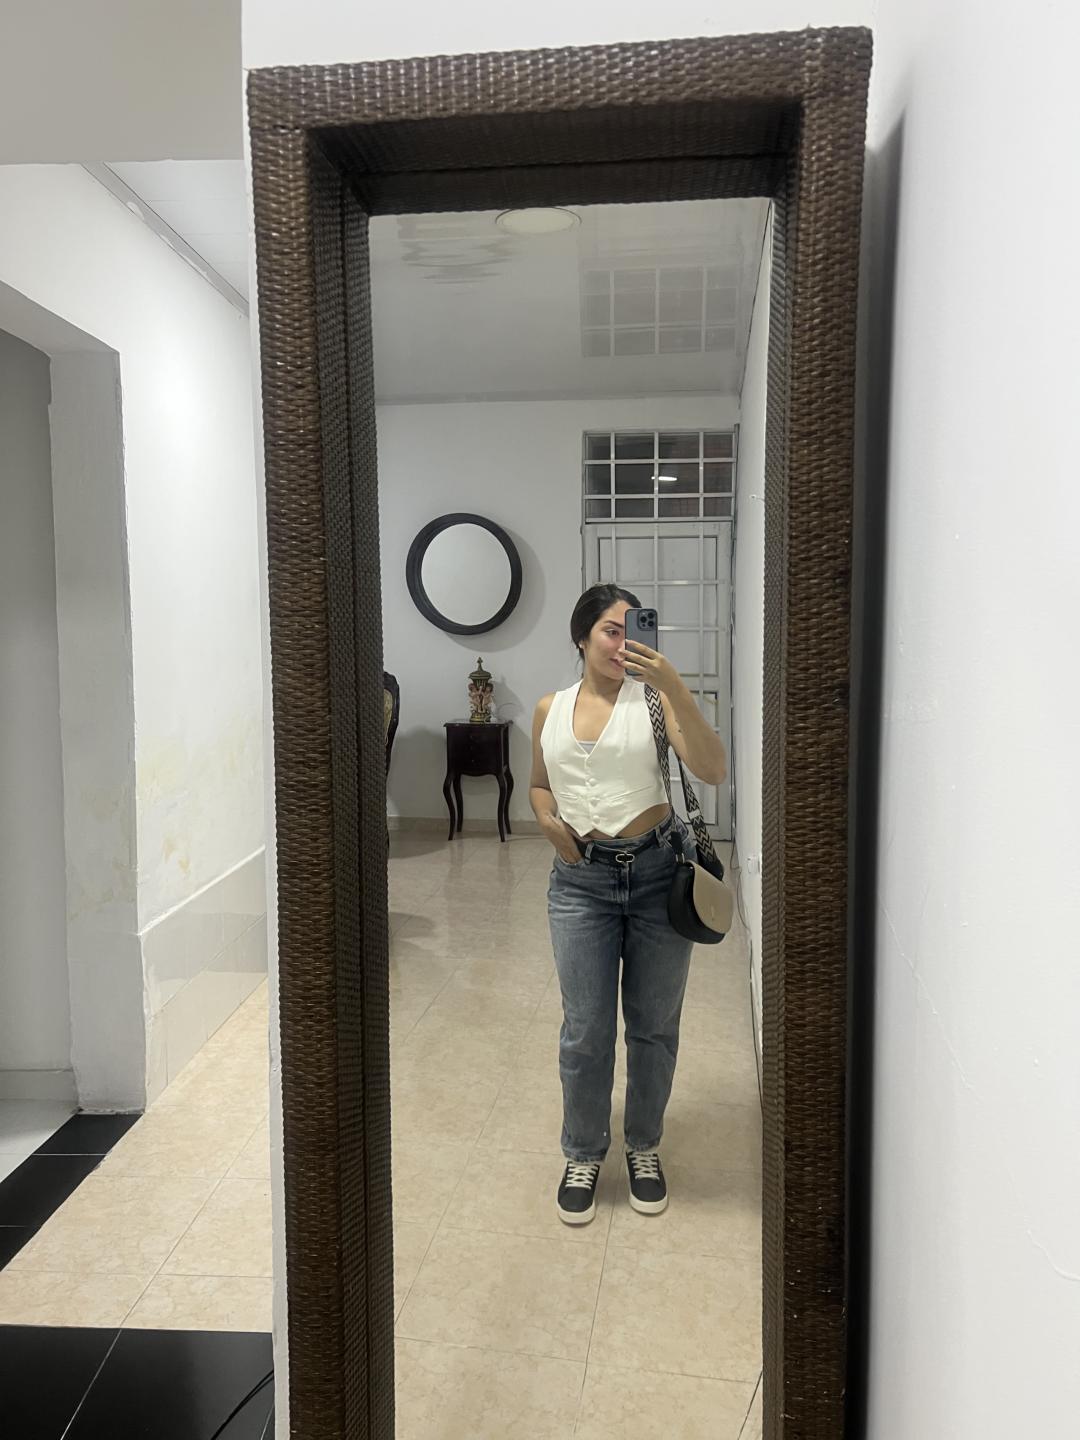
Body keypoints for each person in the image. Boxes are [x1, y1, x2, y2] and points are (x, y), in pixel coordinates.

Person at [529, 583, 727, 1224]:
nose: (622, 643)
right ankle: (583, 1151)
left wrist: (673, 686)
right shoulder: (549, 708)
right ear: (581, 637)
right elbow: (539, 784)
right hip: (579, 884)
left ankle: (644, 1145)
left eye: (631, 630)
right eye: (610, 631)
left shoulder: (655, 700)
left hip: (656, 875)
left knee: (653, 1026)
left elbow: (713, 769)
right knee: (585, 1030)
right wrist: (548, 822)